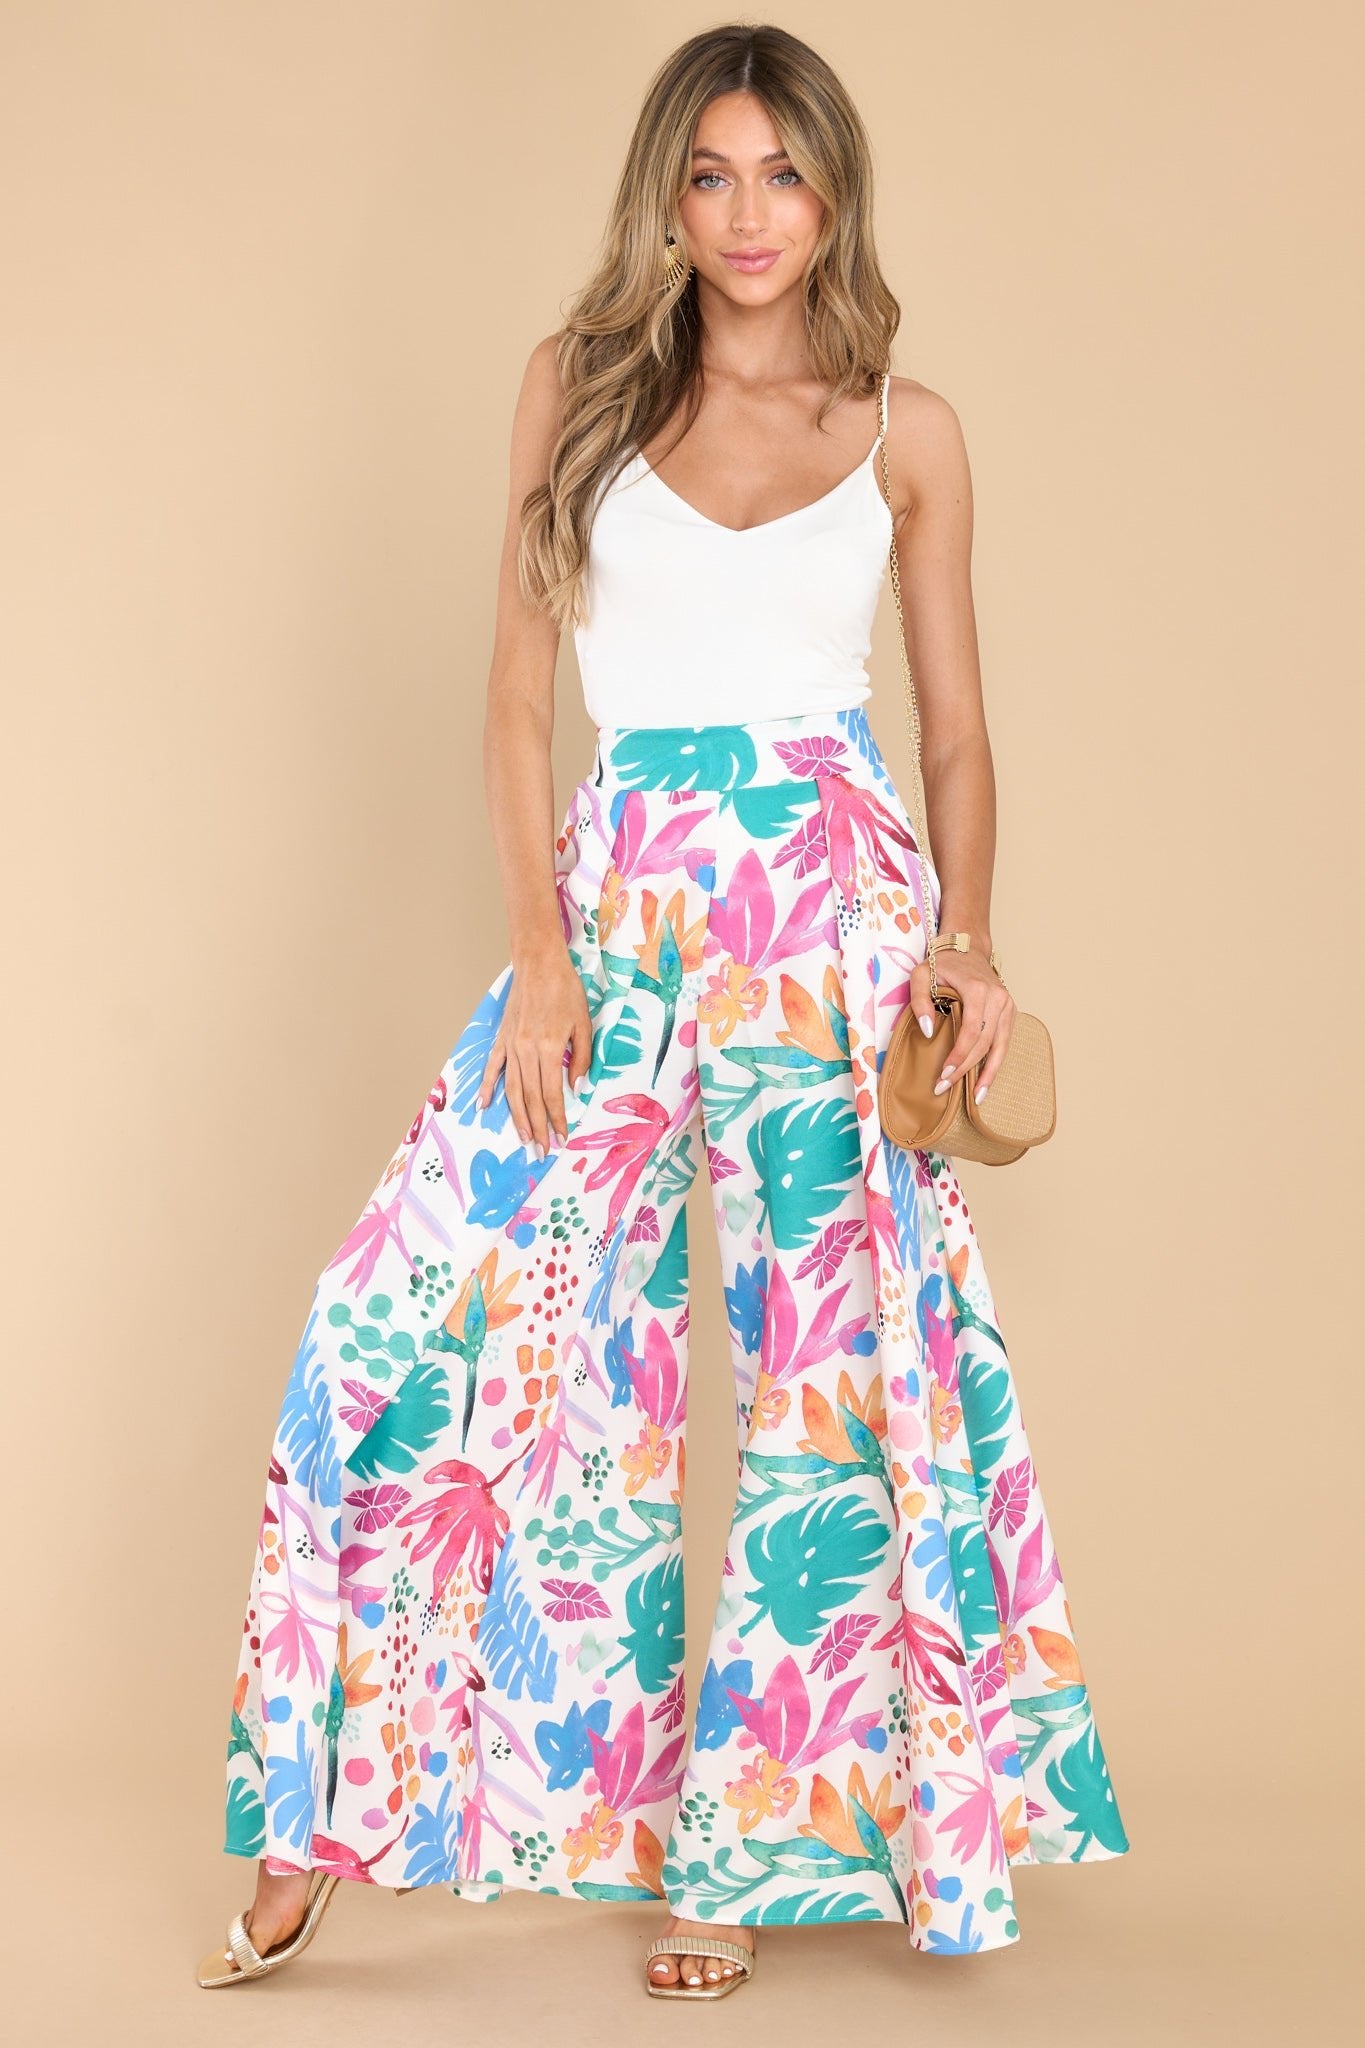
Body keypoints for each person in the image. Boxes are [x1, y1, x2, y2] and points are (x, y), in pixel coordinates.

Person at [197, 19, 1129, 2003]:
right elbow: (514, 691)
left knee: (826, 1392)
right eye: (710, 175)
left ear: (833, 194)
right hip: (615, 907)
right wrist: (537, 950)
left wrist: (965, 940)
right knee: (403, 1321)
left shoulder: (906, 430)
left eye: (782, 173)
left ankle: (742, 1861)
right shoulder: (578, 385)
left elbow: (956, 733)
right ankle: (316, 1815)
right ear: (667, 197)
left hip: (833, 915)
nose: (747, 213)